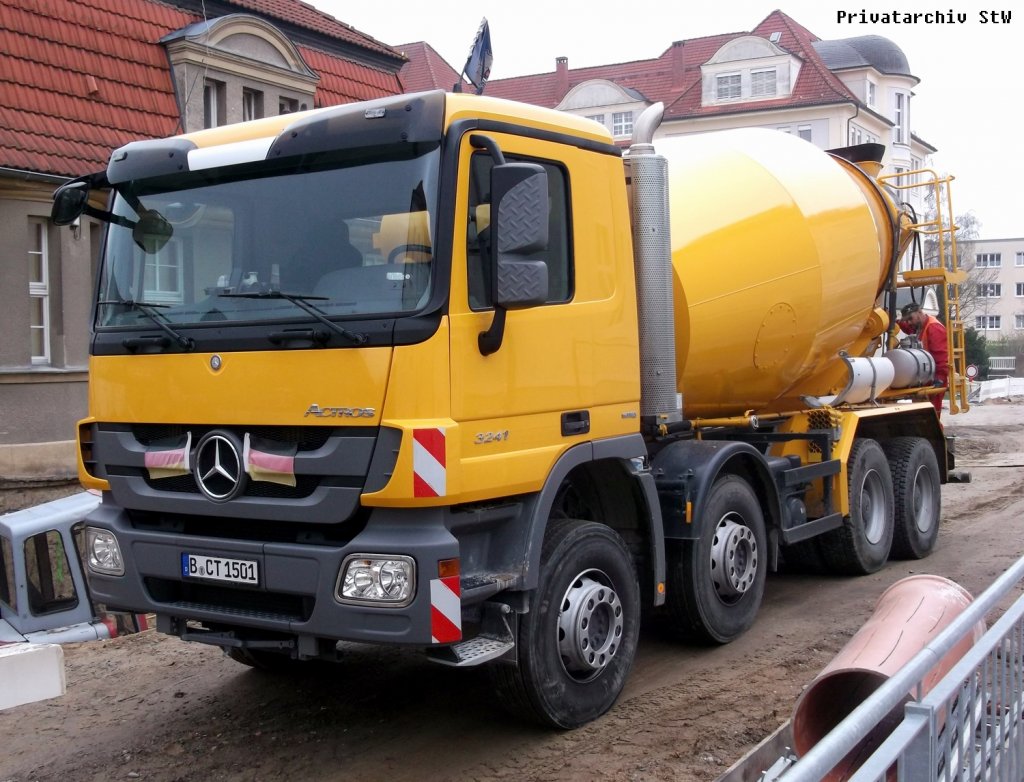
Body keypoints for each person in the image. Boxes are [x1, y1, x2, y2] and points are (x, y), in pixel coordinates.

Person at [898, 302, 948, 414]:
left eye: (910, 319)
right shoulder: (920, 326)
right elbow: (908, 328)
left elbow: (941, 356)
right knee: (922, 413)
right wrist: (895, 321)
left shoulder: (934, 328)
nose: (909, 322)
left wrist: (939, 379)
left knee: (931, 413)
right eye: (907, 320)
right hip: (925, 377)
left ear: (920, 312)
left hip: (934, 379)